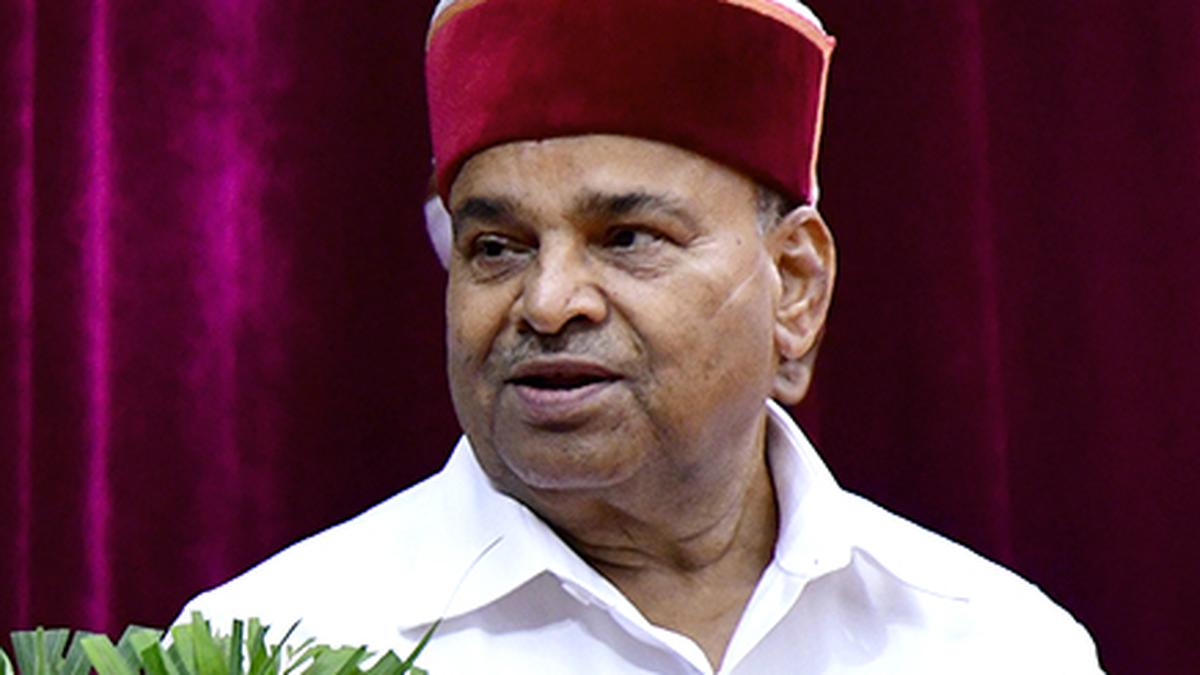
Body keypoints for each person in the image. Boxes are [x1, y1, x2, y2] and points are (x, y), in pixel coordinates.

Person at [179, 1, 1103, 672]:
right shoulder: (275, 643)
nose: (547, 302)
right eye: (496, 247)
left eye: (627, 239)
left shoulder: (991, 643)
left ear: (794, 286)